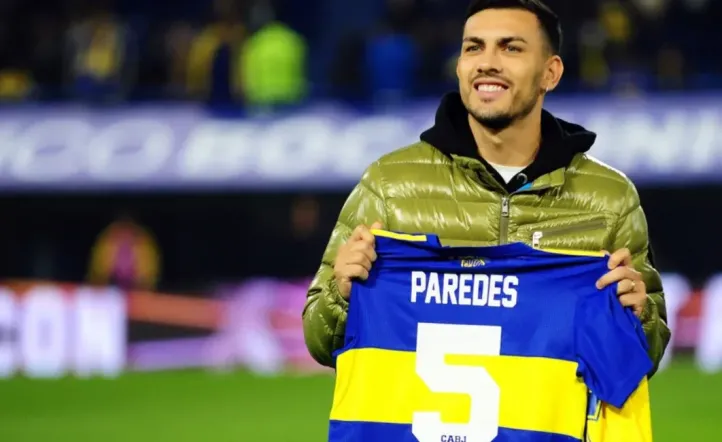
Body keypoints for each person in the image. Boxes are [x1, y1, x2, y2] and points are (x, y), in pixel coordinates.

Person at [302, 0, 670, 375]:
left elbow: (645, 356)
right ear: (459, 66)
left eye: (511, 48)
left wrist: (639, 317)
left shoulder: (610, 198)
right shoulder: (389, 185)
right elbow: (320, 341)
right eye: (474, 47)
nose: (487, 62)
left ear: (551, 73)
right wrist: (341, 293)